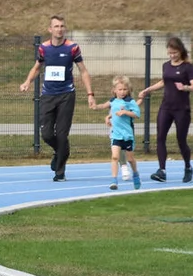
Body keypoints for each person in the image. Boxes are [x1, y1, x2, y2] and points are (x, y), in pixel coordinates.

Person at [19, 15, 96, 181]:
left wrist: (90, 94)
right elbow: (37, 67)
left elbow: (83, 71)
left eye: (62, 26)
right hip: (48, 95)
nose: (59, 29)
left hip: (66, 95)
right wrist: (27, 82)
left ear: (64, 29)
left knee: (61, 135)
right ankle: (62, 151)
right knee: (46, 134)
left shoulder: (72, 48)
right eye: (56, 26)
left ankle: (60, 172)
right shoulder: (44, 48)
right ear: (50, 29)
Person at [138, 36, 193, 183]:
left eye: (175, 53)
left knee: (181, 140)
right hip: (166, 107)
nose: (172, 55)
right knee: (160, 137)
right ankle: (162, 171)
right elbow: (164, 81)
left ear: (180, 51)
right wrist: (148, 90)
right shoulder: (166, 66)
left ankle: (188, 167)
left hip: (181, 109)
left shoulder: (188, 67)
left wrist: (184, 87)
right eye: (170, 53)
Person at [93, 76, 143, 191]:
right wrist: (95, 107)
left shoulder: (130, 102)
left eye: (125, 89)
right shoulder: (113, 101)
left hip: (127, 135)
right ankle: (114, 180)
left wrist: (125, 112)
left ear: (128, 90)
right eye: (120, 89)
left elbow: (137, 114)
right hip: (116, 134)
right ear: (114, 90)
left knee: (130, 159)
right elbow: (103, 106)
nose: (122, 92)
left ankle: (135, 174)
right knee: (115, 157)